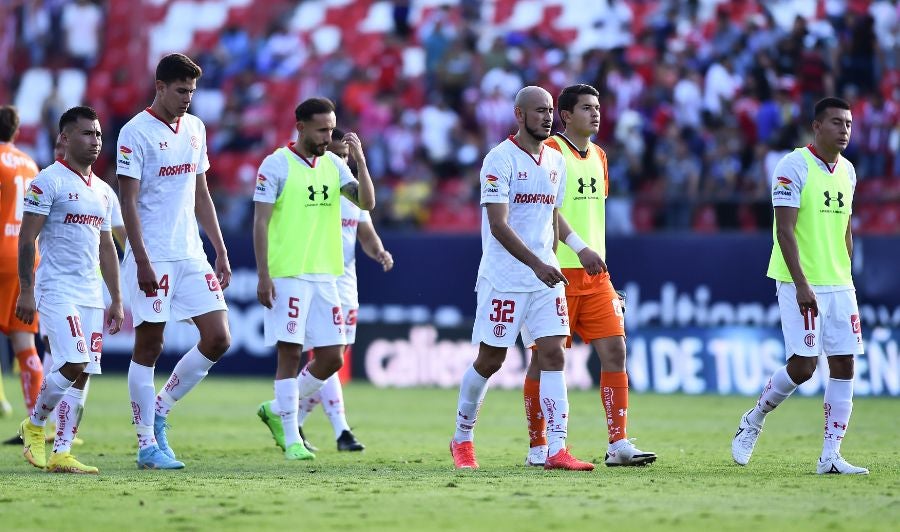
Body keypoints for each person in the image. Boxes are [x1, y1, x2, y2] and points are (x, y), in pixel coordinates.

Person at [449, 86, 593, 471]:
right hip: (505, 278)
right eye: (539, 111)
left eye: (550, 111)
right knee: (490, 360)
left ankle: (557, 449)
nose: (548, 117)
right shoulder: (499, 160)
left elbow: (551, 216)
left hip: (544, 277)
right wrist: (536, 263)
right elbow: (498, 225)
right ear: (519, 114)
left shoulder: (556, 161)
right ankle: (462, 437)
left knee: (553, 353)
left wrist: (577, 248)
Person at [520, 84, 657, 468]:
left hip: (596, 276)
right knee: (544, 360)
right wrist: (579, 246)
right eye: (586, 108)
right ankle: (539, 445)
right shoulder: (550, 153)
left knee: (615, 350)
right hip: (554, 272)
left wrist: (591, 253)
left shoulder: (599, 155)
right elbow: (549, 209)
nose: (595, 114)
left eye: (598, 107)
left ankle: (618, 443)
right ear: (565, 114)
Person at [731, 97, 868, 475]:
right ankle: (754, 419)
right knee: (805, 366)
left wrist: (848, 273)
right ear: (817, 126)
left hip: (839, 283)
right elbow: (784, 231)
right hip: (799, 281)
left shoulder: (849, 171)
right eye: (837, 123)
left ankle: (830, 457)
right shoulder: (793, 165)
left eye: (849, 124)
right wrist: (803, 285)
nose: (845, 130)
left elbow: (845, 228)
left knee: (844, 364)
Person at [117, 53, 231, 470]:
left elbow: (201, 191)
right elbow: (127, 201)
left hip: (190, 253)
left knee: (218, 337)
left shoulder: (196, 128)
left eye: (192, 91)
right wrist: (141, 259)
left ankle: (161, 409)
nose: (187, 98)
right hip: (153, 255)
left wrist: (218, 247)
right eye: (181, 90)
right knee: (150, 344)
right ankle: (146, 444)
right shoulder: (135, 132)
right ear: (160, 86)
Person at [253, 98, 375, 461]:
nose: (328, 136)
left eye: (331, 128)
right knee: (289, 353)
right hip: (289, 272)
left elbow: (367, 203)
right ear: (301, 126)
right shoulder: (276, 164)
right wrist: (264, 274)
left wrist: (363, 163)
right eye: (322, 129)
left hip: (326, 274)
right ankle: (292, 438)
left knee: (332, 358)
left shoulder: (335, 166)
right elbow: (260, 222)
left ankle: (276, 408)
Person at [16, 105, 124, 473]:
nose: (95, 141)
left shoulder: (105, 192)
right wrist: (26, 291)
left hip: (91, 293)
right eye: (86, 134)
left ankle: (62, 451)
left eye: (97, 134)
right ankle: (33, 424)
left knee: (85, 371)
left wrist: (117, 298)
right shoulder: (48, 181)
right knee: (73, 361)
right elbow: (27, 238)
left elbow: (106, 247)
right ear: (64, 138)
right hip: (56, 288)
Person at [291, 129, 394, 453]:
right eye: (336, 154)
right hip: (321, 281)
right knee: (328, 356)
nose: (341, 161)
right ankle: (339, 430)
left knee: (336, 357)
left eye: (346, 156)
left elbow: (366, 233)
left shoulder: (352, 195)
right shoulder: (317, 192)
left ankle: (293, 418)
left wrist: (379, 252)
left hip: (348, 285)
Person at [0, 105, 43, 420]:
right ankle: (35, 421)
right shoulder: (31, 164)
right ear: (15, 132)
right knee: (24, 341)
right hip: (27, 257)